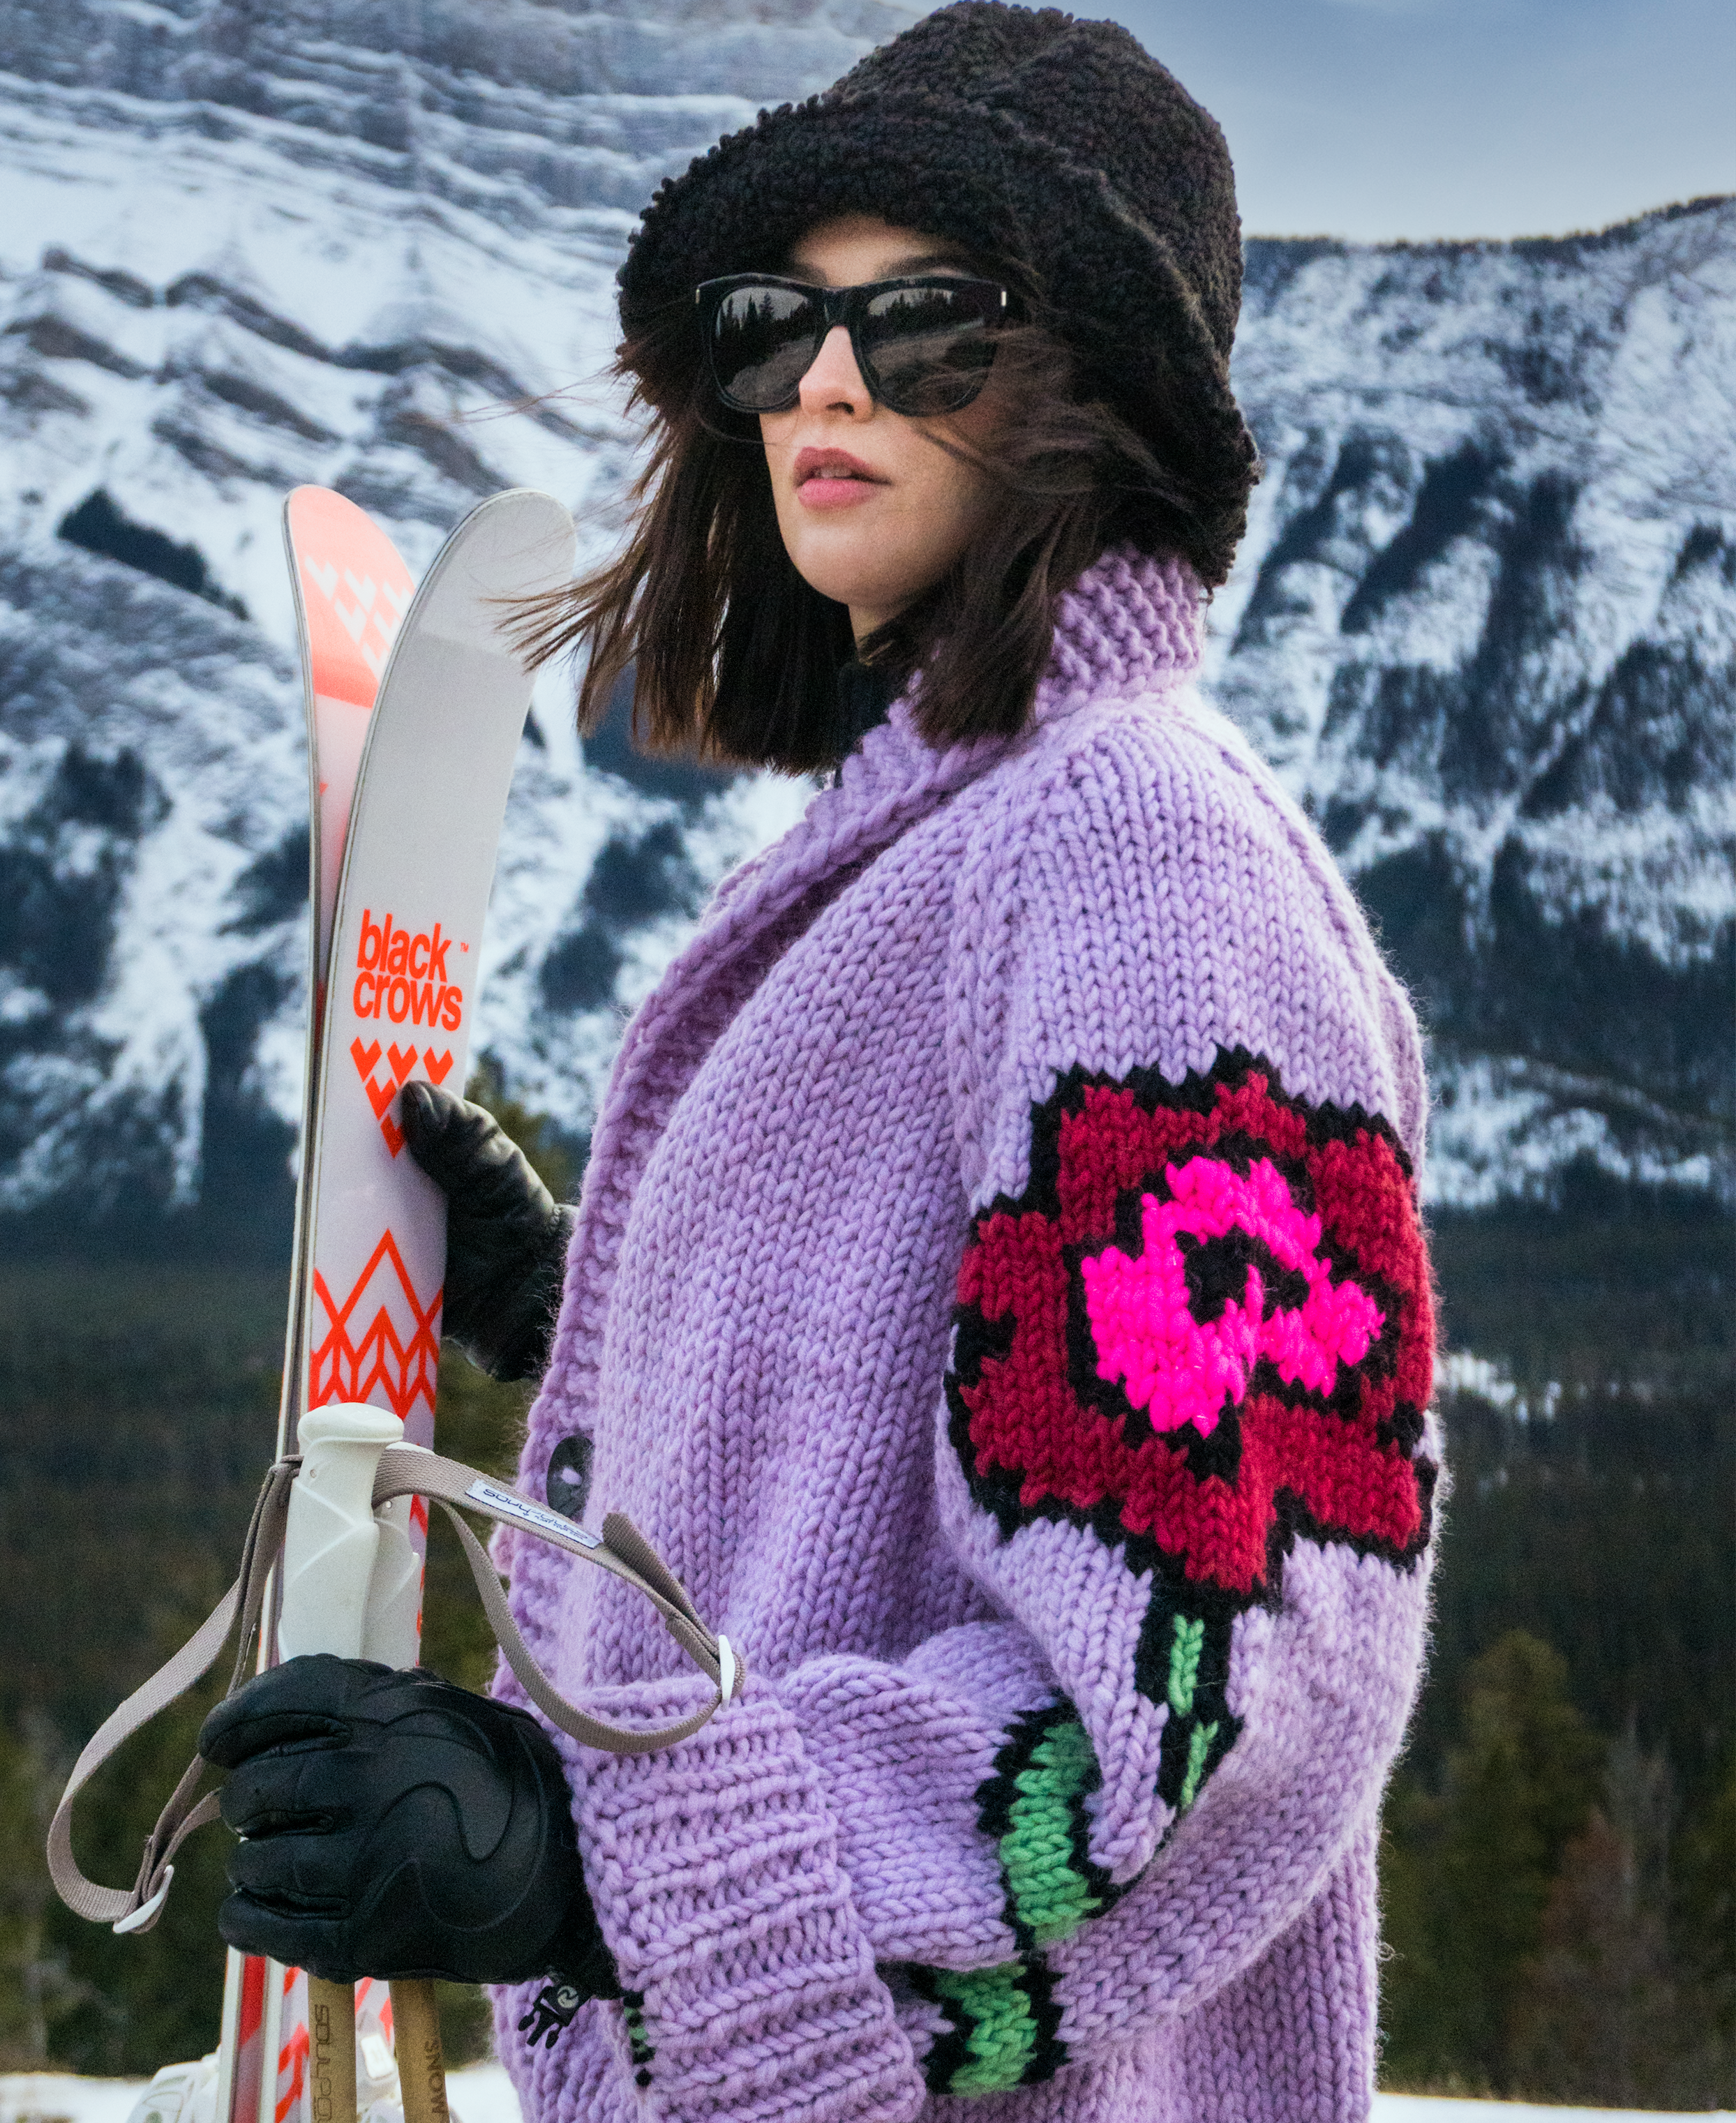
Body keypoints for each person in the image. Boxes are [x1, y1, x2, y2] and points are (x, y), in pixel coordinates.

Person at [198, 8, 1440, 2120]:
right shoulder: (940, 839)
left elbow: (1214, 1686)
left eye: (928, 323)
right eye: (778, 327)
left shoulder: (1129, 848)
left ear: (1101, 393)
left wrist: (581, 1851)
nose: (828, 383)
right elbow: (980, 1397)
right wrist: (591, 1303)